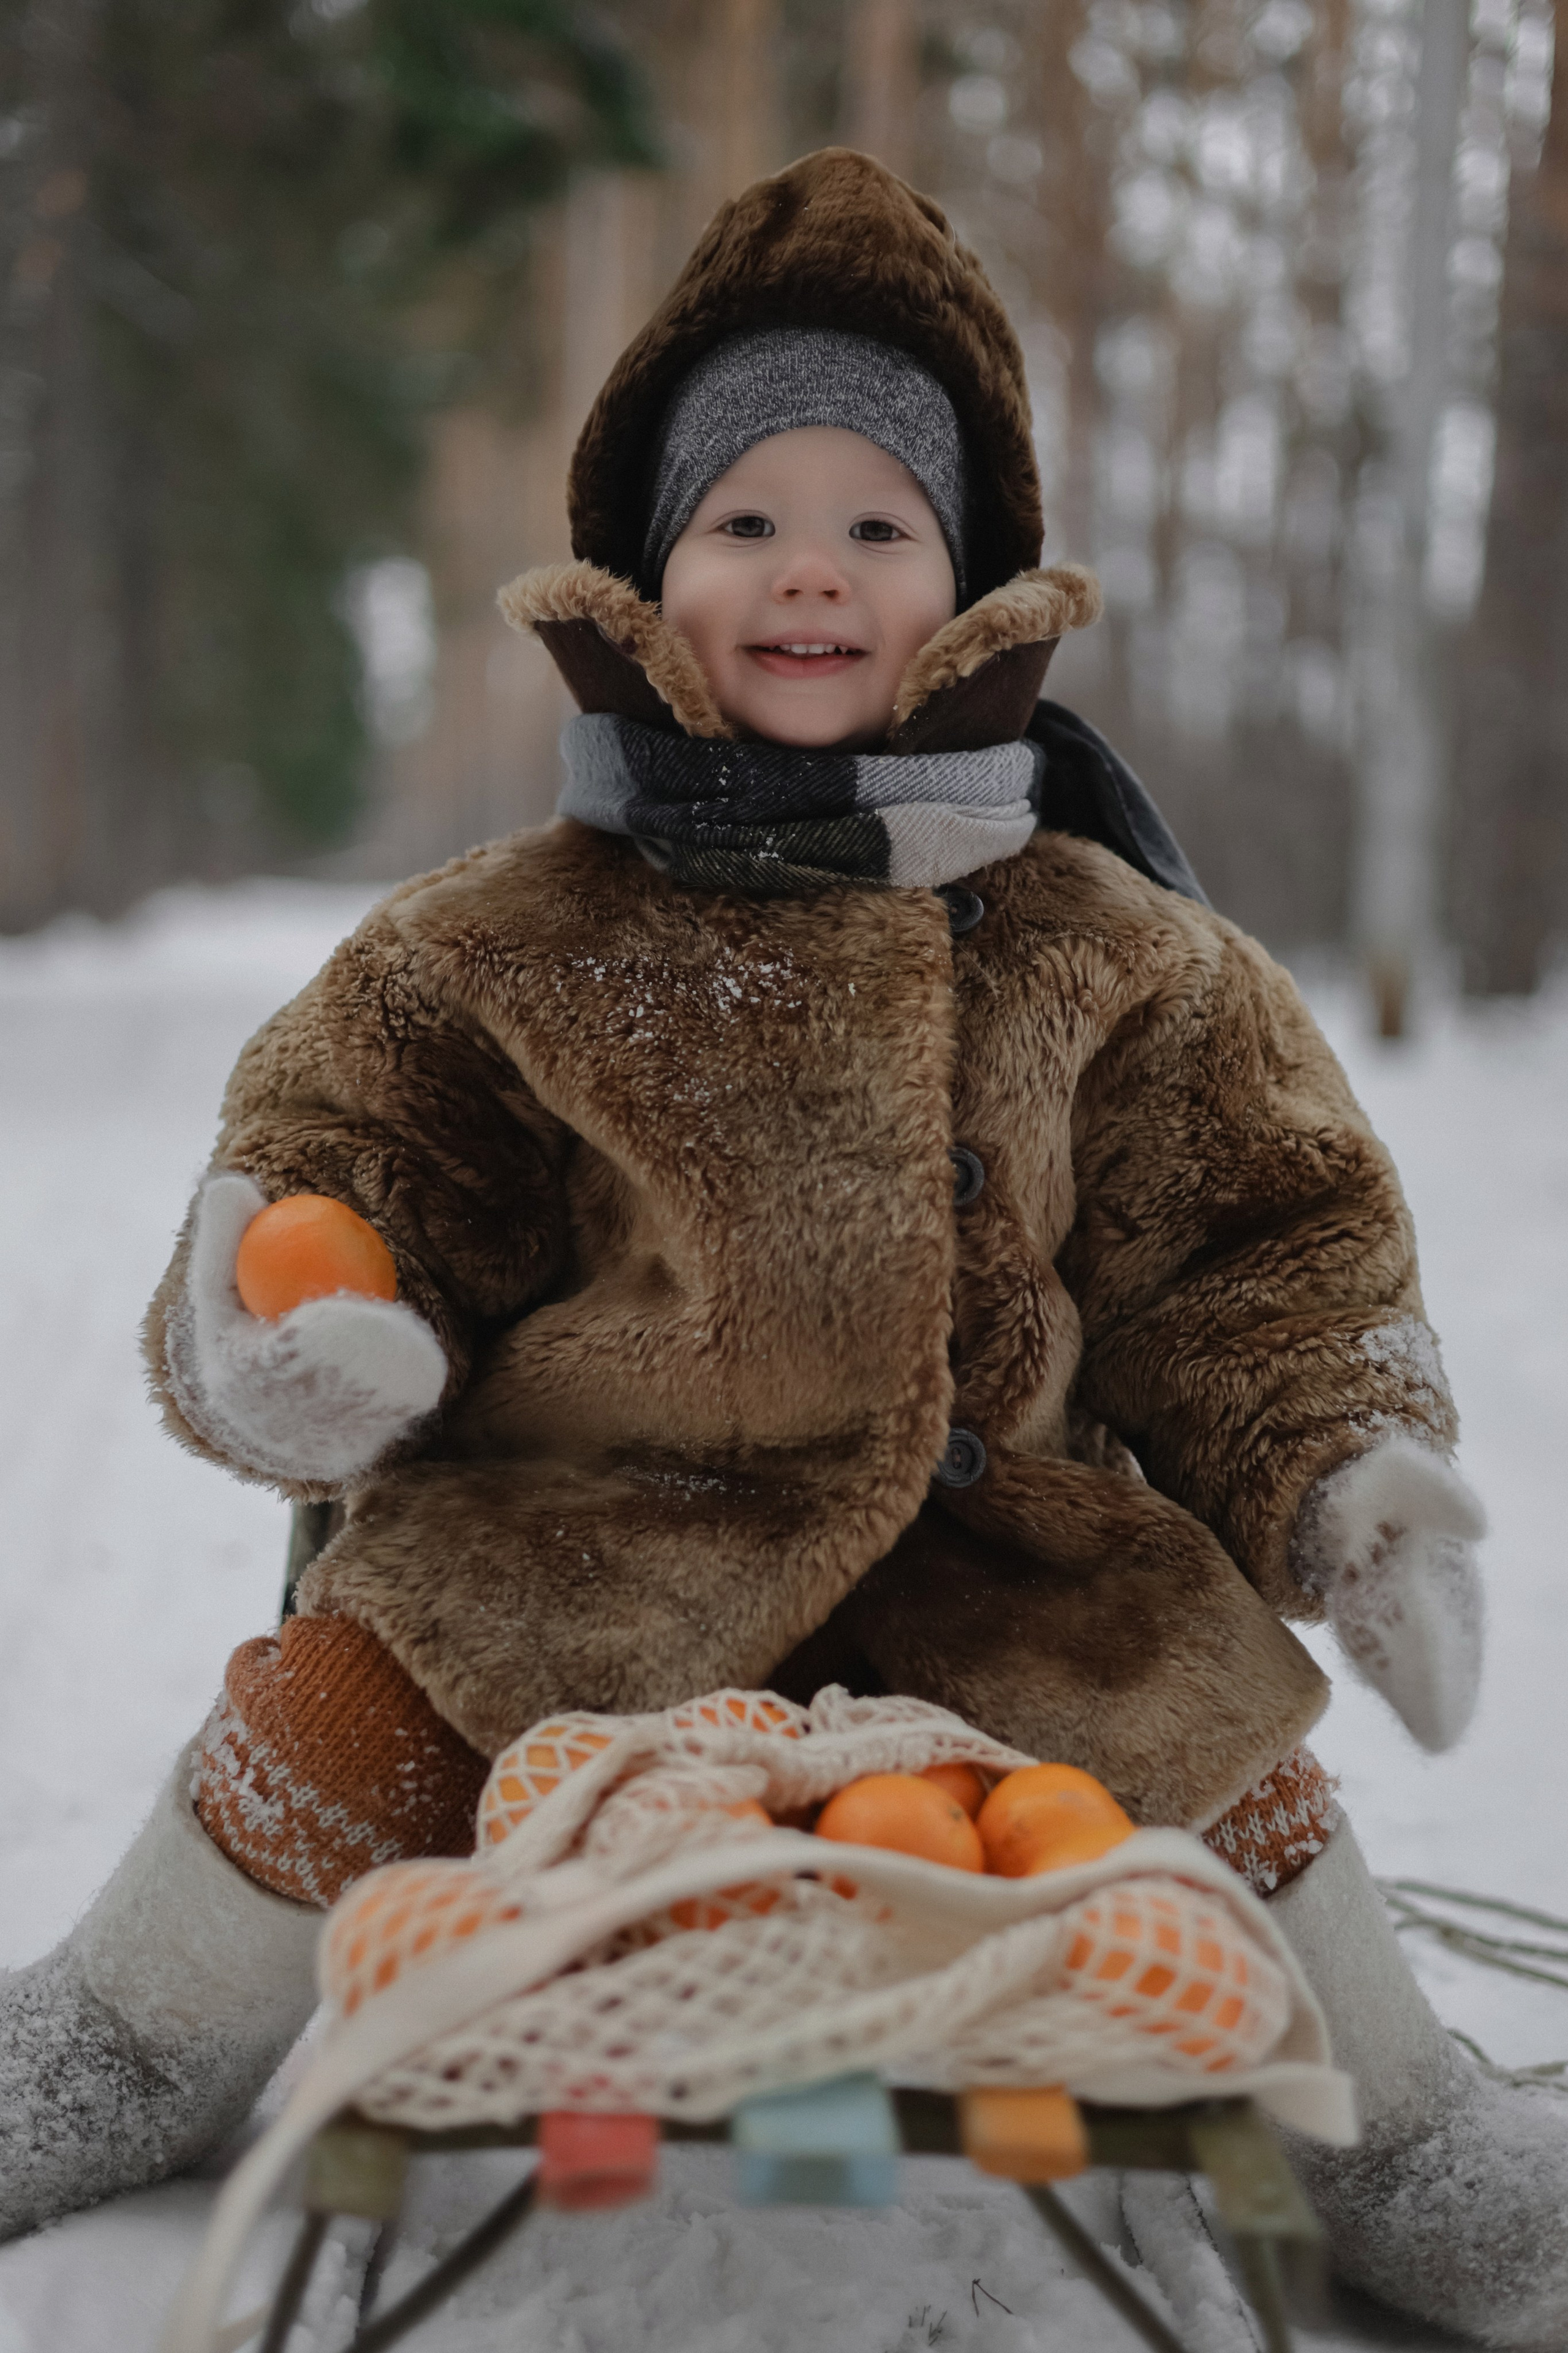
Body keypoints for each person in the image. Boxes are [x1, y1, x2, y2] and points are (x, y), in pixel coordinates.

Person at [0, 149, 1556, 2344]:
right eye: (747, 522)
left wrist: (1347, 1482)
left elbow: (1259, 1245)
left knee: (1222, 1750)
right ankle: (114, 2038)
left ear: (968, 576)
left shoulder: (1116, 948)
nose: (807, 573)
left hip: (1009, 1578)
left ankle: (1406, 2143)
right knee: (342, 1707)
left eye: (872, 527)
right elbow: (353, 1163)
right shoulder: (505, 939)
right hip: (569, 1560)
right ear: (653, 569)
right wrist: (311, 1309)